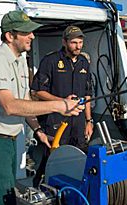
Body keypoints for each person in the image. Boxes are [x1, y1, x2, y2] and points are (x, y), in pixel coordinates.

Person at [0, 11, 84, 205]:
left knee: (7, 192)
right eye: (26, 32)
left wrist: (38, 131)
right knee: (0, 199)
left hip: (8, 140)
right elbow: (10, 106)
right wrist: (60, 105)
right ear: (9, 36)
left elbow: (25, 102)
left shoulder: (21, 60)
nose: (32, 36)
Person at [30, 25, 93, 187]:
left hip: (78, 124)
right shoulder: (50, 61)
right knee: (52, 159)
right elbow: (37, 91)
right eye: (74, 43)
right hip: (56, 121)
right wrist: (61, 103)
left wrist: (89, 121)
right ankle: (40, 188)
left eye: (80, 42)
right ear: (64, 42)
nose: (78, 46)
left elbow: (87, 94)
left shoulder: (84, 62)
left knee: (79, 158)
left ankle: (72, 192)